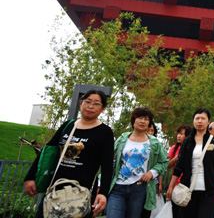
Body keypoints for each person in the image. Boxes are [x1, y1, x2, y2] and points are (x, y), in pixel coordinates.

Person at [24, 89, 114, 218]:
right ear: (80, 103)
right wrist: (30, 177)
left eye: (96, 103)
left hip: (82, 192)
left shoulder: (105, 132)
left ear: (103, 108)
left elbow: (107, 166)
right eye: (87, 101)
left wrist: (103, 193)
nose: (90, 106)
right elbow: (48, 151)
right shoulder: (68, 125)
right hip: (56, 188)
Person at [107, 107, 168, 218]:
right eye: (140, 118)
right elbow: (110, 160)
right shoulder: (122, 139)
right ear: (133, 120)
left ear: (149, 123)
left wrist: (152, 173)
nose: (143, 121)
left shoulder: (154, 142)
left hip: (139, 188)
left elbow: (164, 161)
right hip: (118, 187)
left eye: (146, 119)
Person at [166, 108, 214, 218]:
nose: (200, 121)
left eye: (203, 118)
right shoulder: (187, 141)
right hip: (187, 190)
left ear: (208, 122)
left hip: (209, 190)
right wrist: (171, 186)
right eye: (197, 118)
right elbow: (179, 166)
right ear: (193, 121)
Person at [140, 121, 164, 218]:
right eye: (148, 130)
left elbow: (162, 164)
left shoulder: (157, 145)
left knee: (147, 209)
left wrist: (160, 184)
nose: (150, 132)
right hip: (136, 180)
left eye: (152, 130)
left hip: (151, 182)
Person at [167, 125, 192, 218]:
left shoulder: (191, 148)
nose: (179, 136)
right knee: (175, 211)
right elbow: (167, 166)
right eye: (178, 133)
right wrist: (176, 158)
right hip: (175, 184)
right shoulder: (174, 148)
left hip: (187, 184)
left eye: (182, 134)